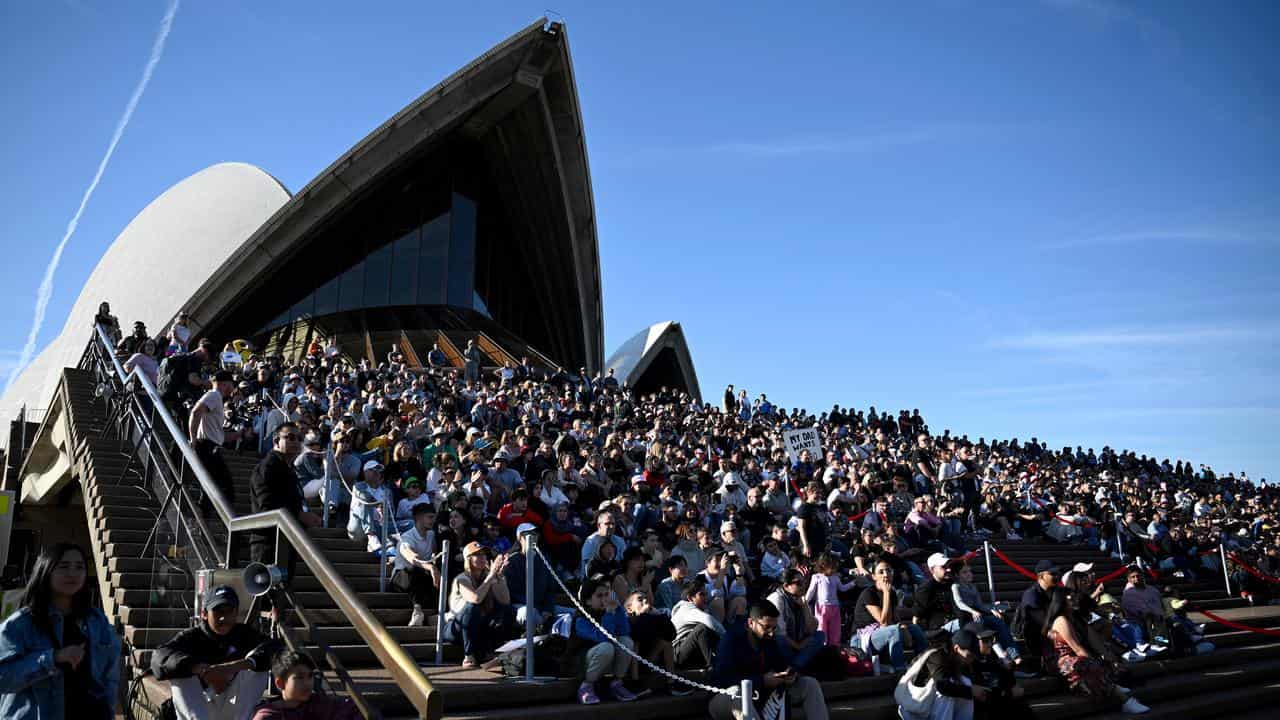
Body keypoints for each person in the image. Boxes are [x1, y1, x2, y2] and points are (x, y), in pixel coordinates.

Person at [0, 542, 120, 720]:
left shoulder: (96, 620)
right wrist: (53, 658)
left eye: (79, 567)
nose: (72, 573)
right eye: (64, 566)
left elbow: (110, 675)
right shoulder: (21, 623)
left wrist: (107, 708)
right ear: (46, 570)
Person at [152, 585, 279, 720]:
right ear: (204, 614)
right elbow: (159, 658)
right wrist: (199, 669)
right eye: (218, 611)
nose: (224, 618)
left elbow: (276, 649)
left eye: (229, 611)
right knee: (179, 670)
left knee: (257, 664)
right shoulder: (191, 637)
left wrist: (230, 668)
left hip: (234, 707)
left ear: (236, 613)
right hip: (201, 706)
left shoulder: (244, 633)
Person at [707, 600, 828, 720]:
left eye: (774, 628)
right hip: (725, 698)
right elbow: (724, 680)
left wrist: (790, 675)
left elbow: (781, 666)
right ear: (750, 623)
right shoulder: (730, 640)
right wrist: (762, 681)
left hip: (761, 696)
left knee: (809, 684)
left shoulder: (769, 639)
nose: (771, 633)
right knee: (739, 693)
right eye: (767, 627)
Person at [1042, 588, 1149, 714]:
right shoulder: (1061, 620)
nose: (1073, 600)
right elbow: (1076, 648)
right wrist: (1093, 662)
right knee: (1088, 664)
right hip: (1060, 661)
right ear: (1061, 600)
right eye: (1069, 597)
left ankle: (1113, 687)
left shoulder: (1069, 617)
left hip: (1068, 659)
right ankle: (1125, 700)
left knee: (1097, 663)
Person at [250, 423, 321, 579]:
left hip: (287, 541)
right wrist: (300, 515)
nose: (296, 442)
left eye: (299, 438)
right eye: (290, 437)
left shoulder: (288, 468)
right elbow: (266, 505)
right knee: (265, 597)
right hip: (268, 544)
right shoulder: (268, 467)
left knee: (281, 595)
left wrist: (303, 515)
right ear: (276, 441)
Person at [190, 370, 240, 557]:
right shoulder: (214, 395)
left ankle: (205, 528)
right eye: (231, 385)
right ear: (225, 383)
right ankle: (206, 528)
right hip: (207, 448)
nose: (231, 390)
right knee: (224, 488)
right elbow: (196, 412)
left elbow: (215, 432)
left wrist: (237, 435)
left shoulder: (216, 398)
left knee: (215, 488)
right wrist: (193, 438)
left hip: (211, 446)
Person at [443, 542, 515, 668]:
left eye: (484, 555)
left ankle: (492, 650)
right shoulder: (462, 578)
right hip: (456, 628)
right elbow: (475, 599)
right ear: (468, 559)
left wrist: (499, 577)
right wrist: (491, 575)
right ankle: (468, 655)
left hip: (478, 626)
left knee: (507, 610)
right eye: (477, 555)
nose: (482, 558)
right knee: (472, 608)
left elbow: (505, 600)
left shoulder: (488, 576)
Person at [569, 575, 638, 705]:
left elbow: (625, 632)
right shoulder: (581, 618)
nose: (604, 599)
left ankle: (616, 683)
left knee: (626, 641)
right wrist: (608, 614)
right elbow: (603, 637)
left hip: (606, 660)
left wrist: (618, 611)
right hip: (583, 663)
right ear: (588, 600)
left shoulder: (611, 610)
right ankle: (586, 686)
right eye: (599, 596)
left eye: (606, 595)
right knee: (607, 646)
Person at [854, 558, 928, 672]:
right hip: (864, 638)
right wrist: (886, 594)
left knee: (915, 628)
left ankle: (922, 664)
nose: (886, 574)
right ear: (874, 576)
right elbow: (884, 622)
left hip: (884, 631)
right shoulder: (868, 594)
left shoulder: (892, 592)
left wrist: (903, 626)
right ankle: (900, 668)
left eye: (888, 571)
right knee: (894, 630)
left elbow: (895, 619)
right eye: (881, 572)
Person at [897, 627, 983, 720]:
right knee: (948, 692)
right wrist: (971, 691)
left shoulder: (956, 656)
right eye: (969, 656)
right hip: (913, 707)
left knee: (965, 683)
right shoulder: (937, 655)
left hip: (928, 704)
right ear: (957, 648)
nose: (970, 660)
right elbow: (942, 687)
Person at [250, 650, 359, 720]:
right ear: (281, 683)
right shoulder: (267, 716)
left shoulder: (319, 704)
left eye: (310, 676)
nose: (307, 683)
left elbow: (350, 708)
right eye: (300, 677)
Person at [964, 623, 1033, 720]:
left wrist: (1009, 668)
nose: (990, 643)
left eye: (991, 639)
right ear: (972, 642)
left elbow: (1010, 685)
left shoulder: (991, 657)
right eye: (985, 640)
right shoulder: (967, 663)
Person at [766, 569, 825, 671]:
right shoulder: (777, 599)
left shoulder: (799, 599)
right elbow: (779, 632)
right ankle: (795, 666)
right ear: (786, 586)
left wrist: (805, 606)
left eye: (804, 582)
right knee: (779, 640)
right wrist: (798, 646)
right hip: (781, 644)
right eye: (798, 583)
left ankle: (794, 666)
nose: (803, 586)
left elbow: (811, 629)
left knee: (820, 635)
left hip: (795, 642)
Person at [393, 504, 440, 627]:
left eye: (434, 517)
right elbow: (412, 558)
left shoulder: (431, 535)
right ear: (418, 518)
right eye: (430, 517)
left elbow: (435, 551)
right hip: (401, 577)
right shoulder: (406, 537)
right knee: (415, 571)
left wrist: (434, 566)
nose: (433, 521)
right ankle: (417, 611)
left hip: (422, 576)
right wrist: (431, 567)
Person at [804, 551, 857, 646]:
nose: (834, 570)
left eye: (835, 568)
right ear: (823, 565)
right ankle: (822, 648)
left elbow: (842, 588)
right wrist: (805, 602)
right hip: (821, 607)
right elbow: (811, 592)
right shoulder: (816, 577)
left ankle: (833, 647)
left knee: (835, 629)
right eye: (832, 567)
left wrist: (853, 583)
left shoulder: (835, 577)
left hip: (835, 607)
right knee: (821, 628)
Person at [671, 578, 725, 670]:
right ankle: (713, 667)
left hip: (690, 650)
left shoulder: (695, 608)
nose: (705, 597)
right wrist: (727, 637)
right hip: (678, 654)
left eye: (706, 594)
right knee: (703, 629)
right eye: (701, 594)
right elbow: (709, 620)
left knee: (710, 631)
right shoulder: (687, 609)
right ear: (690, 598)